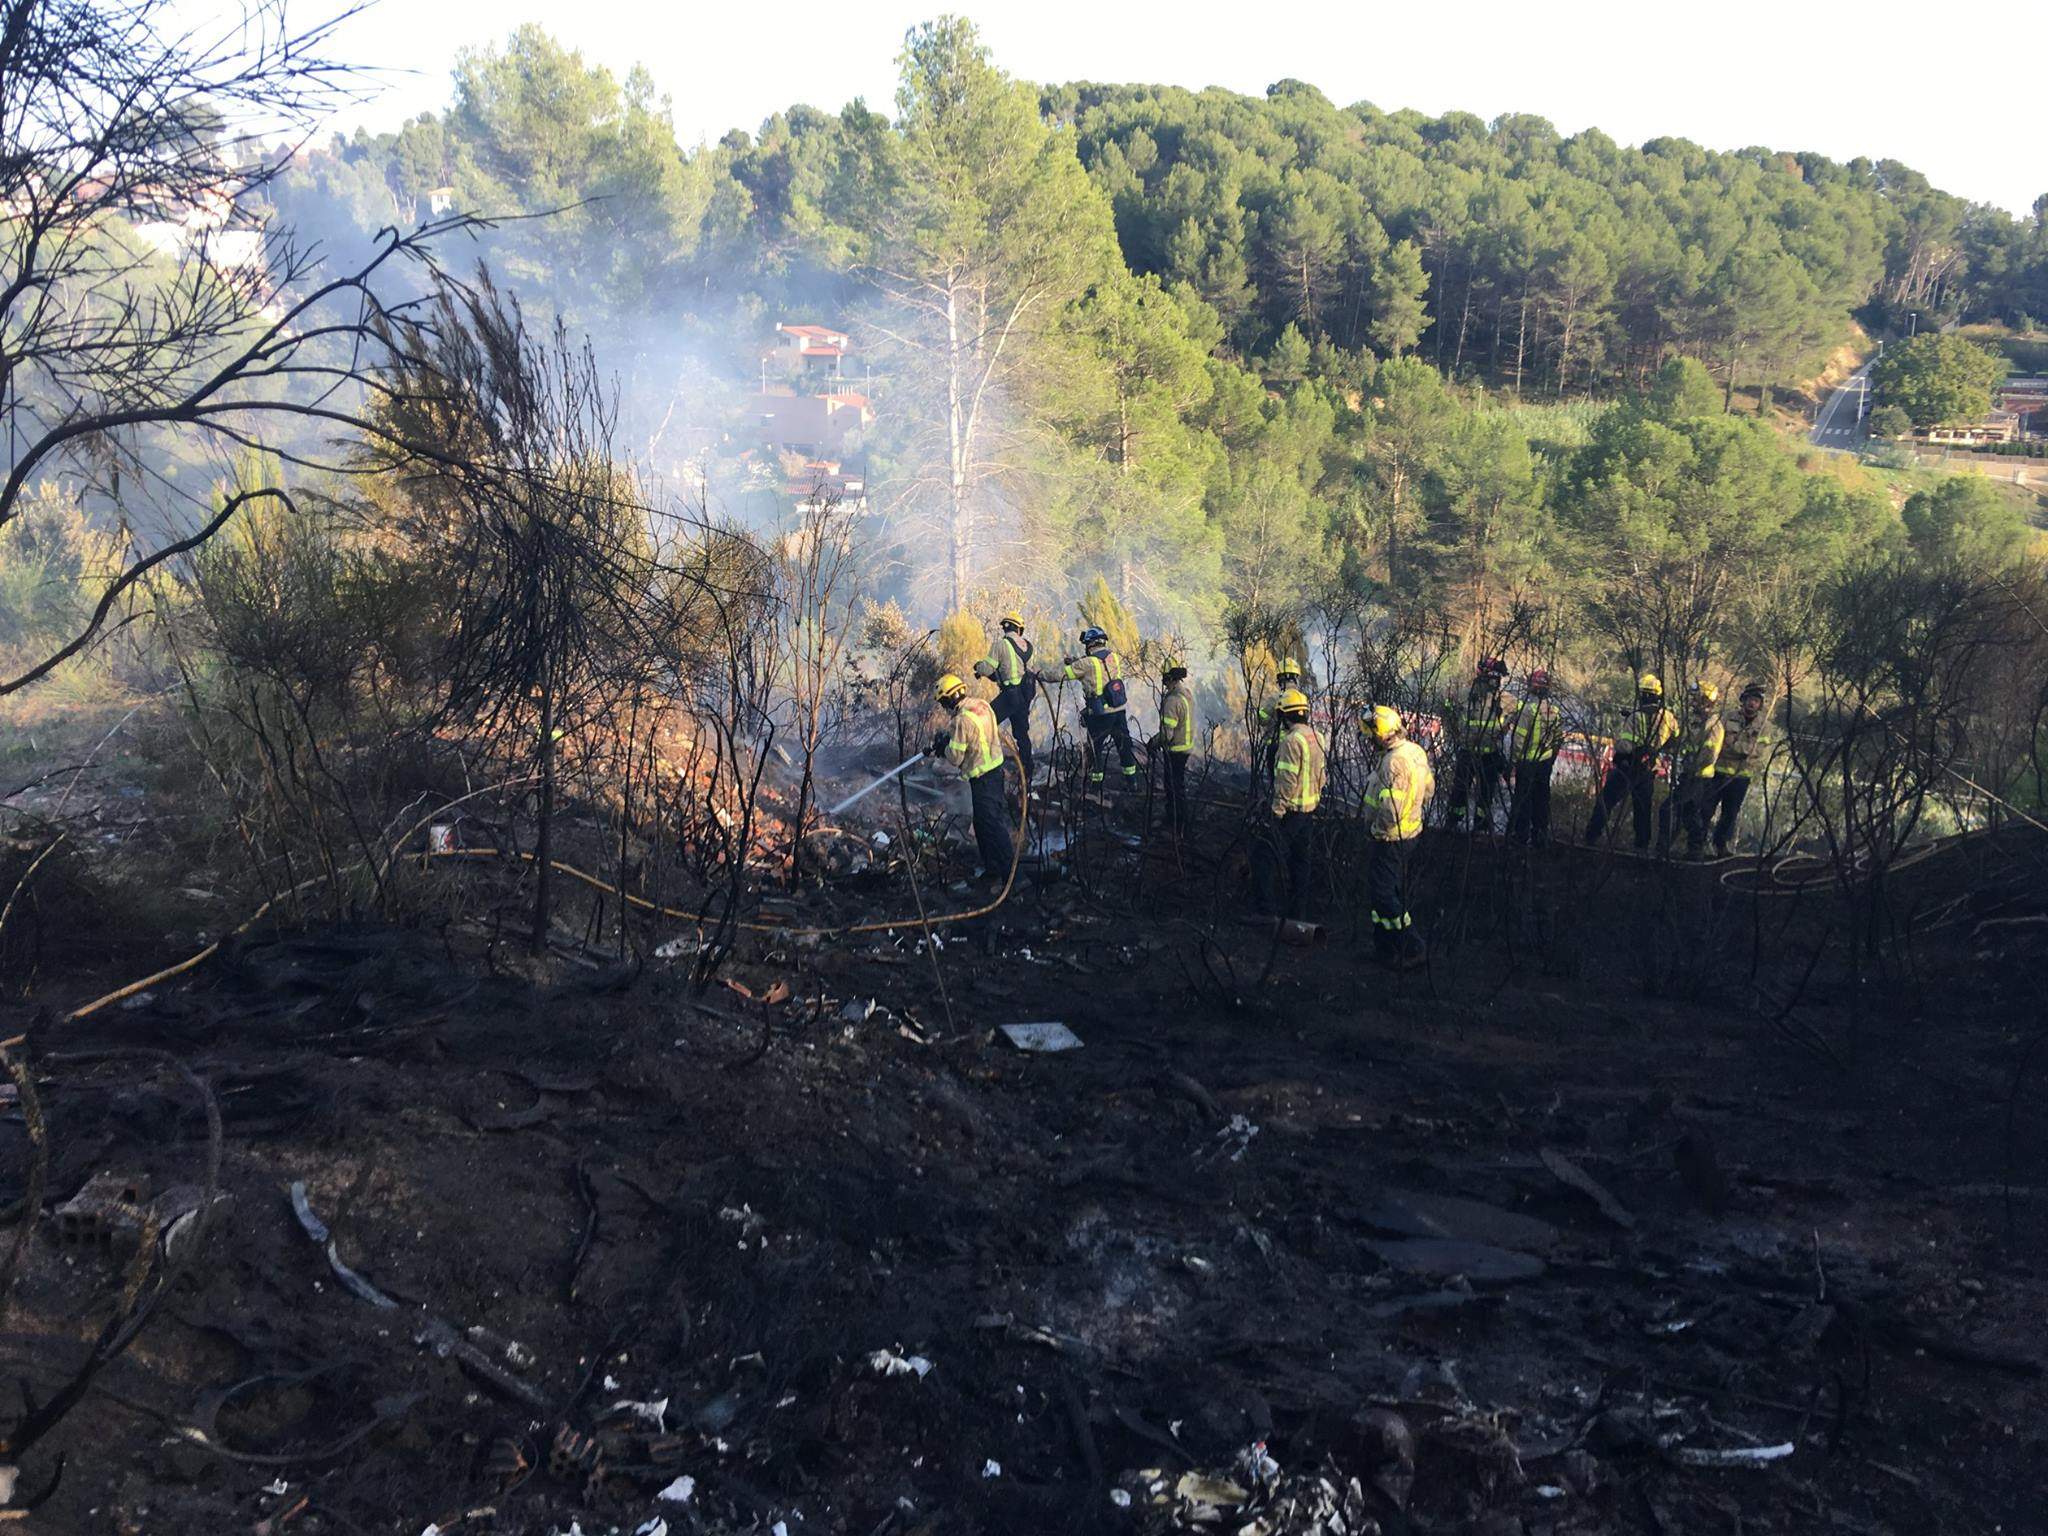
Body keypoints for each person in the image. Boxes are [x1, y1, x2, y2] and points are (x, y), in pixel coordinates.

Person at [1363, 704, 1434, 968]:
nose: (1369, 741)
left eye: (1371, 735)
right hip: (1409, 833)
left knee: (1383, 894)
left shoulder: (1394, 762)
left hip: (1390, 837)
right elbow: (1428, 790)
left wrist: (1376, 830)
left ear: (1380, 734)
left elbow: (1391, 810)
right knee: (1383, 890)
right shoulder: (1414, 752)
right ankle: (1385, 948)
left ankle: (1413, 945)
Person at [1583, 672, 1678, 851]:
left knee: (1606, 800)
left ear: (1643, 694)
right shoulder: (1668, 717)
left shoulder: (1636, 717)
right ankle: (1641, 847)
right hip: (1649, 768)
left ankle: (1591, 836)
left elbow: (1625, 745)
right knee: (1643, 809)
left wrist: (1622, 756)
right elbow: (1675, 739)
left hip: (1628, 766)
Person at [932, 673, 1013, 881]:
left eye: (943, 702)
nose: (944, 707)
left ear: (949, 699)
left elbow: (955, 758)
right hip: (995, 771)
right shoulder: (982, 705)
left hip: (983, 779)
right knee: (982, 824)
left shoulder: (961, 720)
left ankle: (1012, 876)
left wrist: (943, 747)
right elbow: (975, 738)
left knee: (992, 825)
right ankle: (993, 870)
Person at [1255, 688, 1324, 922]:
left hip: (1291, 813)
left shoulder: (1291, 741)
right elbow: (1321, 776)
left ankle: (1265, 911)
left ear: (1285, 716)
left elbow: (1286, 782)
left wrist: (1276, 812)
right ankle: (1297, 913)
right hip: (1309, 812)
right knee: (1300, 862)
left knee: (1265, 855)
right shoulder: (1317, 736)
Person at [1056, 626, 1137, 790]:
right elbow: (1097, 668)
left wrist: (1039, 674)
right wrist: (1076, 662)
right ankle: (1132, 782)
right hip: (1118, 710)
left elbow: (1062, 675)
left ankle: (1095, 785)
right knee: (1124, 747)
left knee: (1095, 750)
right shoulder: (1113, 657)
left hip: (1100, 715)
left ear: (1090, 644)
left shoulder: (1086, 663)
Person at [1444, 657, 1509, 833]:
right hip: (1468, 751)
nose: (1496, 682)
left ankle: (1480, 827)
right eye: (1495, 678)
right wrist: (1454, 733)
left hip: (1489, 754)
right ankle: (1453, 822)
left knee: (1485, 793)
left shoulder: (1504, 700)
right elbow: (1448, 709)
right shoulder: (1465, 694)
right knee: (1460, 790)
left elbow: (1515, 720)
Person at [1660, 680, 1725, 858]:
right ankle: (1695, 850)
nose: (1691, 702)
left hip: (1698, 778)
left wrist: (1691, 767)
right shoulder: (1696, 722)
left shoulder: (1713, 725)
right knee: (1688, 814)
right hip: (1689, 776)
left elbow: (1709, 755)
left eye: (1695, 699)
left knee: (1668, 809)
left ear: (1705, 700)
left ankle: (1664, 850)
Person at [1707, 682, 1771, 856]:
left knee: (1730, 814)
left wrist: (1734, 747)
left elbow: (1756, 752)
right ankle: (1698, 845)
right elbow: (1718, 744)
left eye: (1756, 701)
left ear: (1760, 704)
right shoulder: (1727, 717)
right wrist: (1741, 749)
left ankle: (1721, 846)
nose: (1752, 704)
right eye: (1750, 699)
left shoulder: (1764, 726)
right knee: (1706, 809)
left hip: (1740, 777)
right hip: (1718, 773)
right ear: (1743, 700)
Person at [1502, 668, 1564, 846]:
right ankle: (1540, 836)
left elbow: (1519, 740)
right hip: (1544, 764)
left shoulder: (1528, 711)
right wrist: (1551, 760)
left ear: (1532, 687)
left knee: (1523, 801)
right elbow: (1557, 739)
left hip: (1527, 764)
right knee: (1541, 800)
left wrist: (1512, 763)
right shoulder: (1554, 711)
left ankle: (1520, 837)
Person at [981, 611, 1037, 787]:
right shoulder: (1029, 646)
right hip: (1025, 696)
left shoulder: (1001, 645)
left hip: (1010, 695)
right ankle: (1028, 771)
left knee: (984, 722)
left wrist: (978, 667)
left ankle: (988, 765)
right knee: (1021, 734)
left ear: (1006, 627)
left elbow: (986, 668)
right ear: (1019, 629)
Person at [1150, 659, 1196, 837]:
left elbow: (1167, 734)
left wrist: (1153, 743)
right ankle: (1179, 821)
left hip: (1175, 750)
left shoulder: (1171, 701)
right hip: (1185, 748)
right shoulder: (1186, 694)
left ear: (1168, 678)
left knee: (1173, 787)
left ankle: (1176, 823)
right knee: (1178, 786)